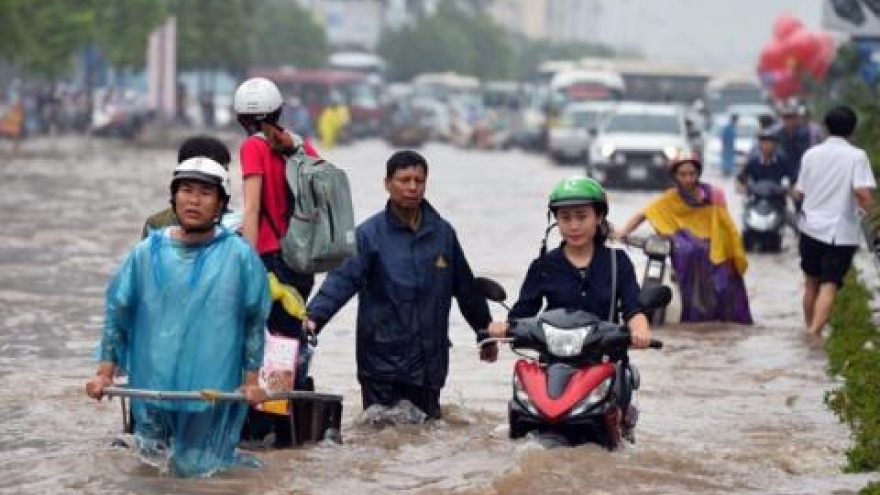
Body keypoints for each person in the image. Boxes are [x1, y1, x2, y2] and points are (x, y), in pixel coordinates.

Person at [85, 157, 271, 477]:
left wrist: (251, 381)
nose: (194, 200)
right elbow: (118, 313)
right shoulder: (145, 253)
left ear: (221, 205)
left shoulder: (240, 256)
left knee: (201, 474)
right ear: (173, 198)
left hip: (210, 395)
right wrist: (104, 374)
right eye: (185, 190)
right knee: (150, 473)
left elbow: (254, 319)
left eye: (205, 193)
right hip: (152, 390)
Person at [304, 150, 498, 419]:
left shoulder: (442, 233)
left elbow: (465, 288)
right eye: (404, 180)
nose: (412, 187)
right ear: (387, 184)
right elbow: (341, 281)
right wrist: (313, 319)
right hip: (381, 364)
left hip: (429, 363)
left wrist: (484, 333)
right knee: (381, 441)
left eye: (419, 180)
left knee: (428, 443)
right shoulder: (368, 235)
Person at [233, 76, 320, 446]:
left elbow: (251, 208)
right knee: (286, 342)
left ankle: (265, 425)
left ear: (241, 118)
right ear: (279, 111)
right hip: (302, 262)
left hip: (270, 258)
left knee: (262, 341)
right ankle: (286, 429)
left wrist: (247, 264)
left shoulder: (252, 148)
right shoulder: (300, 146)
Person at [487, 176, 653, 347]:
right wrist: (501, 327)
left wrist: (641, 330)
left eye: (582, 217)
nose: (574, 226)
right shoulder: (543, 266)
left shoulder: (618, 262)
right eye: (565, 218)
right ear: (556, 220)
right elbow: (521, 317)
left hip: (605, 358)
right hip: (553, 360)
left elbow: (633, 310)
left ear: (599, 216)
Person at [616, 151, 753, 324]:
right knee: (687, 253)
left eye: (691, 174)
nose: (688, 178)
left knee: (725, 286)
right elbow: (644, 213)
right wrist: (623, 232)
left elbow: (726, 226)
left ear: (698, 174)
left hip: (717, 249)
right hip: (689, 253)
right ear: (675, 176)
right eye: (683, 174)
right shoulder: (670, 199)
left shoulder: (714, 195)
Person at [793, 105, 876, 336]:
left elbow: (799, 192)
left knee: (811, 283)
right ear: (853, 129)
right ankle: (814, 334)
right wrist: (876, 219)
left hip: (809, 228)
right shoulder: (857, 156)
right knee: (829, 285)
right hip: (839, 233)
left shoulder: (811, 154)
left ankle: (808, 329)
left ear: (826, 127)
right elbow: (862, 193)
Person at [141, 135, 236, 238]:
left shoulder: (235, 225)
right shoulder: (155, 226)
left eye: (226, 170)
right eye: (222, 170)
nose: (195, 201)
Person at [776, 104, 811, 180]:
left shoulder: (803, 133)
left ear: (796, 119)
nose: (789, 121)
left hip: (798, 166)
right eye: (786, 118)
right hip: (783, 167)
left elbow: (803, 152)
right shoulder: (779, 133)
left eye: (791, 118)